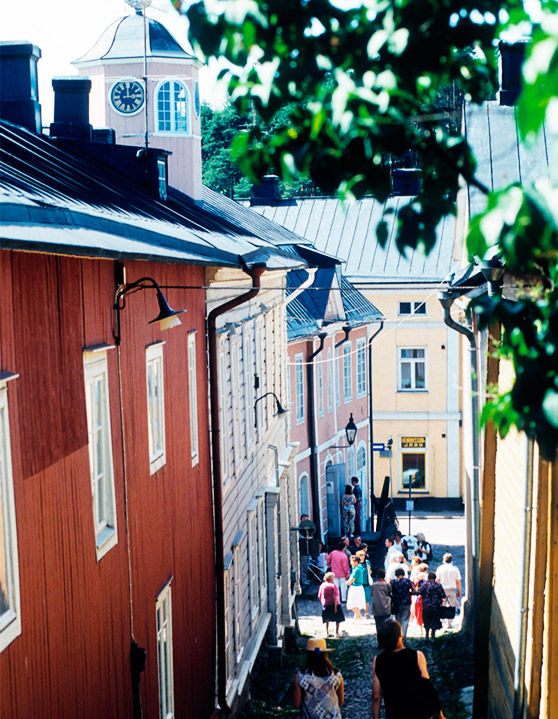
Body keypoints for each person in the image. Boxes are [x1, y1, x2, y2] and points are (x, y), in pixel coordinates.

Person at [372, 620, 446, 719]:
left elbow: (376, 696)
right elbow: (428, 689)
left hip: (393, 713)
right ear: (400, 636)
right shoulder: (417, 656)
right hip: (416, 713)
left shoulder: (378, 661)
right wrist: (440, 715)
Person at [293, 637, 344, 719]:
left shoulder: (301, 677)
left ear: (308, 655)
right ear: (325, 654)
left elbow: (296, 704)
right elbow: (340, 701)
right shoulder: (336, 675)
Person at [417, 571, 446, 639]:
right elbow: (443, 595)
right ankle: (433, 636)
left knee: (426, 620)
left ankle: (426, 635)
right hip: (436, 607)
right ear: (435, 578)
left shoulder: (425, 585)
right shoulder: (438, 585)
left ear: (428, 577)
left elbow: (418, 592)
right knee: (434, 620)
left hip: (426, 606)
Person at [436, 553, 462, 627]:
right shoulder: (455, 569)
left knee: (442, 605)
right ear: (451, 560)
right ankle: (449, 623)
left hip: (442, 589)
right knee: (451, 605)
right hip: (451, 589)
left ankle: (441, 621)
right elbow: (458, 581)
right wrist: (459, 591)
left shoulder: (440, 568)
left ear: (444, 560)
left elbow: (437, 579)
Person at [318, 572, 345, 637]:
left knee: (327, 618)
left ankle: (326, 632)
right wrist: (335, 607)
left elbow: (319, 595)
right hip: (334, 604)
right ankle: (336, 633)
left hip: (326, 604)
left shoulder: (322, 585)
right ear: (331, 578)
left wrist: (323, 602)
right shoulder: (333, 586)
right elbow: (335, 597)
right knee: (338, 619)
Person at [389, 568, 415, 638]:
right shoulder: (408, 581)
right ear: (403, 574)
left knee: (398, 619)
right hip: (406, 602)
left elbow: (389, 591)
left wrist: (392, 596)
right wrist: (410, 593)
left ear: (396, 574)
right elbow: (414, 589)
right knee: (405, 619)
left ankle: (399, 634)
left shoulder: (393, 582)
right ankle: (404, 635)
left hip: (397, 603)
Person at [371, 568, 392, 635]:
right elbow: (390, 593)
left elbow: (371, 594)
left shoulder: (374, 585)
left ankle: (379, 640)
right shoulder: (387, 585)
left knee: (378, 626)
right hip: (385, 608)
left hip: (376, 608)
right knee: (386, 626)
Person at [346, 555, 366, 621]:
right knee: (357, 603)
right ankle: (355, 618)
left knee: (352, 604)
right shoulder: (359, 567)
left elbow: (351, 580)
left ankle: (360, 617)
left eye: (352, 562)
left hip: (355, 587)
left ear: (356, 562)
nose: (351, 563)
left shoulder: (356, 570)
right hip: (359, 587)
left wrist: (346, 582)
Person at [356, 547, 373, 618]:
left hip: (366, 583)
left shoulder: (367, 562)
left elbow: (370, 572)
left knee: (367, 598)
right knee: (358, 598)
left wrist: (369, 570)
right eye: (360, 555)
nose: (362, 557)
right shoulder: (356, 563)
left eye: (363, 555)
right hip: (359, 584)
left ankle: (366, 613)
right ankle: (358, 613)